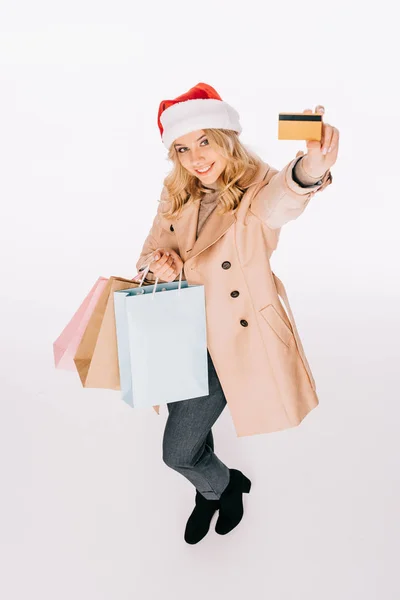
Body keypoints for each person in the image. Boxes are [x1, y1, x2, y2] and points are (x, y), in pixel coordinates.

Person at [135, 82, 339, 545]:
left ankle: (223, 487)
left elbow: (284, 200)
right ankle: (212, 488)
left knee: (176, 452)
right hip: (178, 333)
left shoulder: (258, 189)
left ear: (226, 137)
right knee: (190, 430)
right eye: (183, 148)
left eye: (204, 141)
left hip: (230, 340)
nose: (195, 158)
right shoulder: (176, 193)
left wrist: (311, 169)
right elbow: (147, 254)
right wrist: (161, 268)